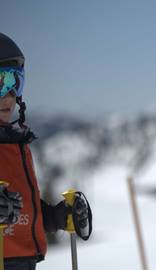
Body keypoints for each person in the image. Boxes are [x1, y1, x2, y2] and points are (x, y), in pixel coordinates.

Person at [0, 32, 92, 270]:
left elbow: (19, 208)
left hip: (21, 261)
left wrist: (53, 217)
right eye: (1, 82)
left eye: (16, 82)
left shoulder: (13, 143)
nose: (10, 95)